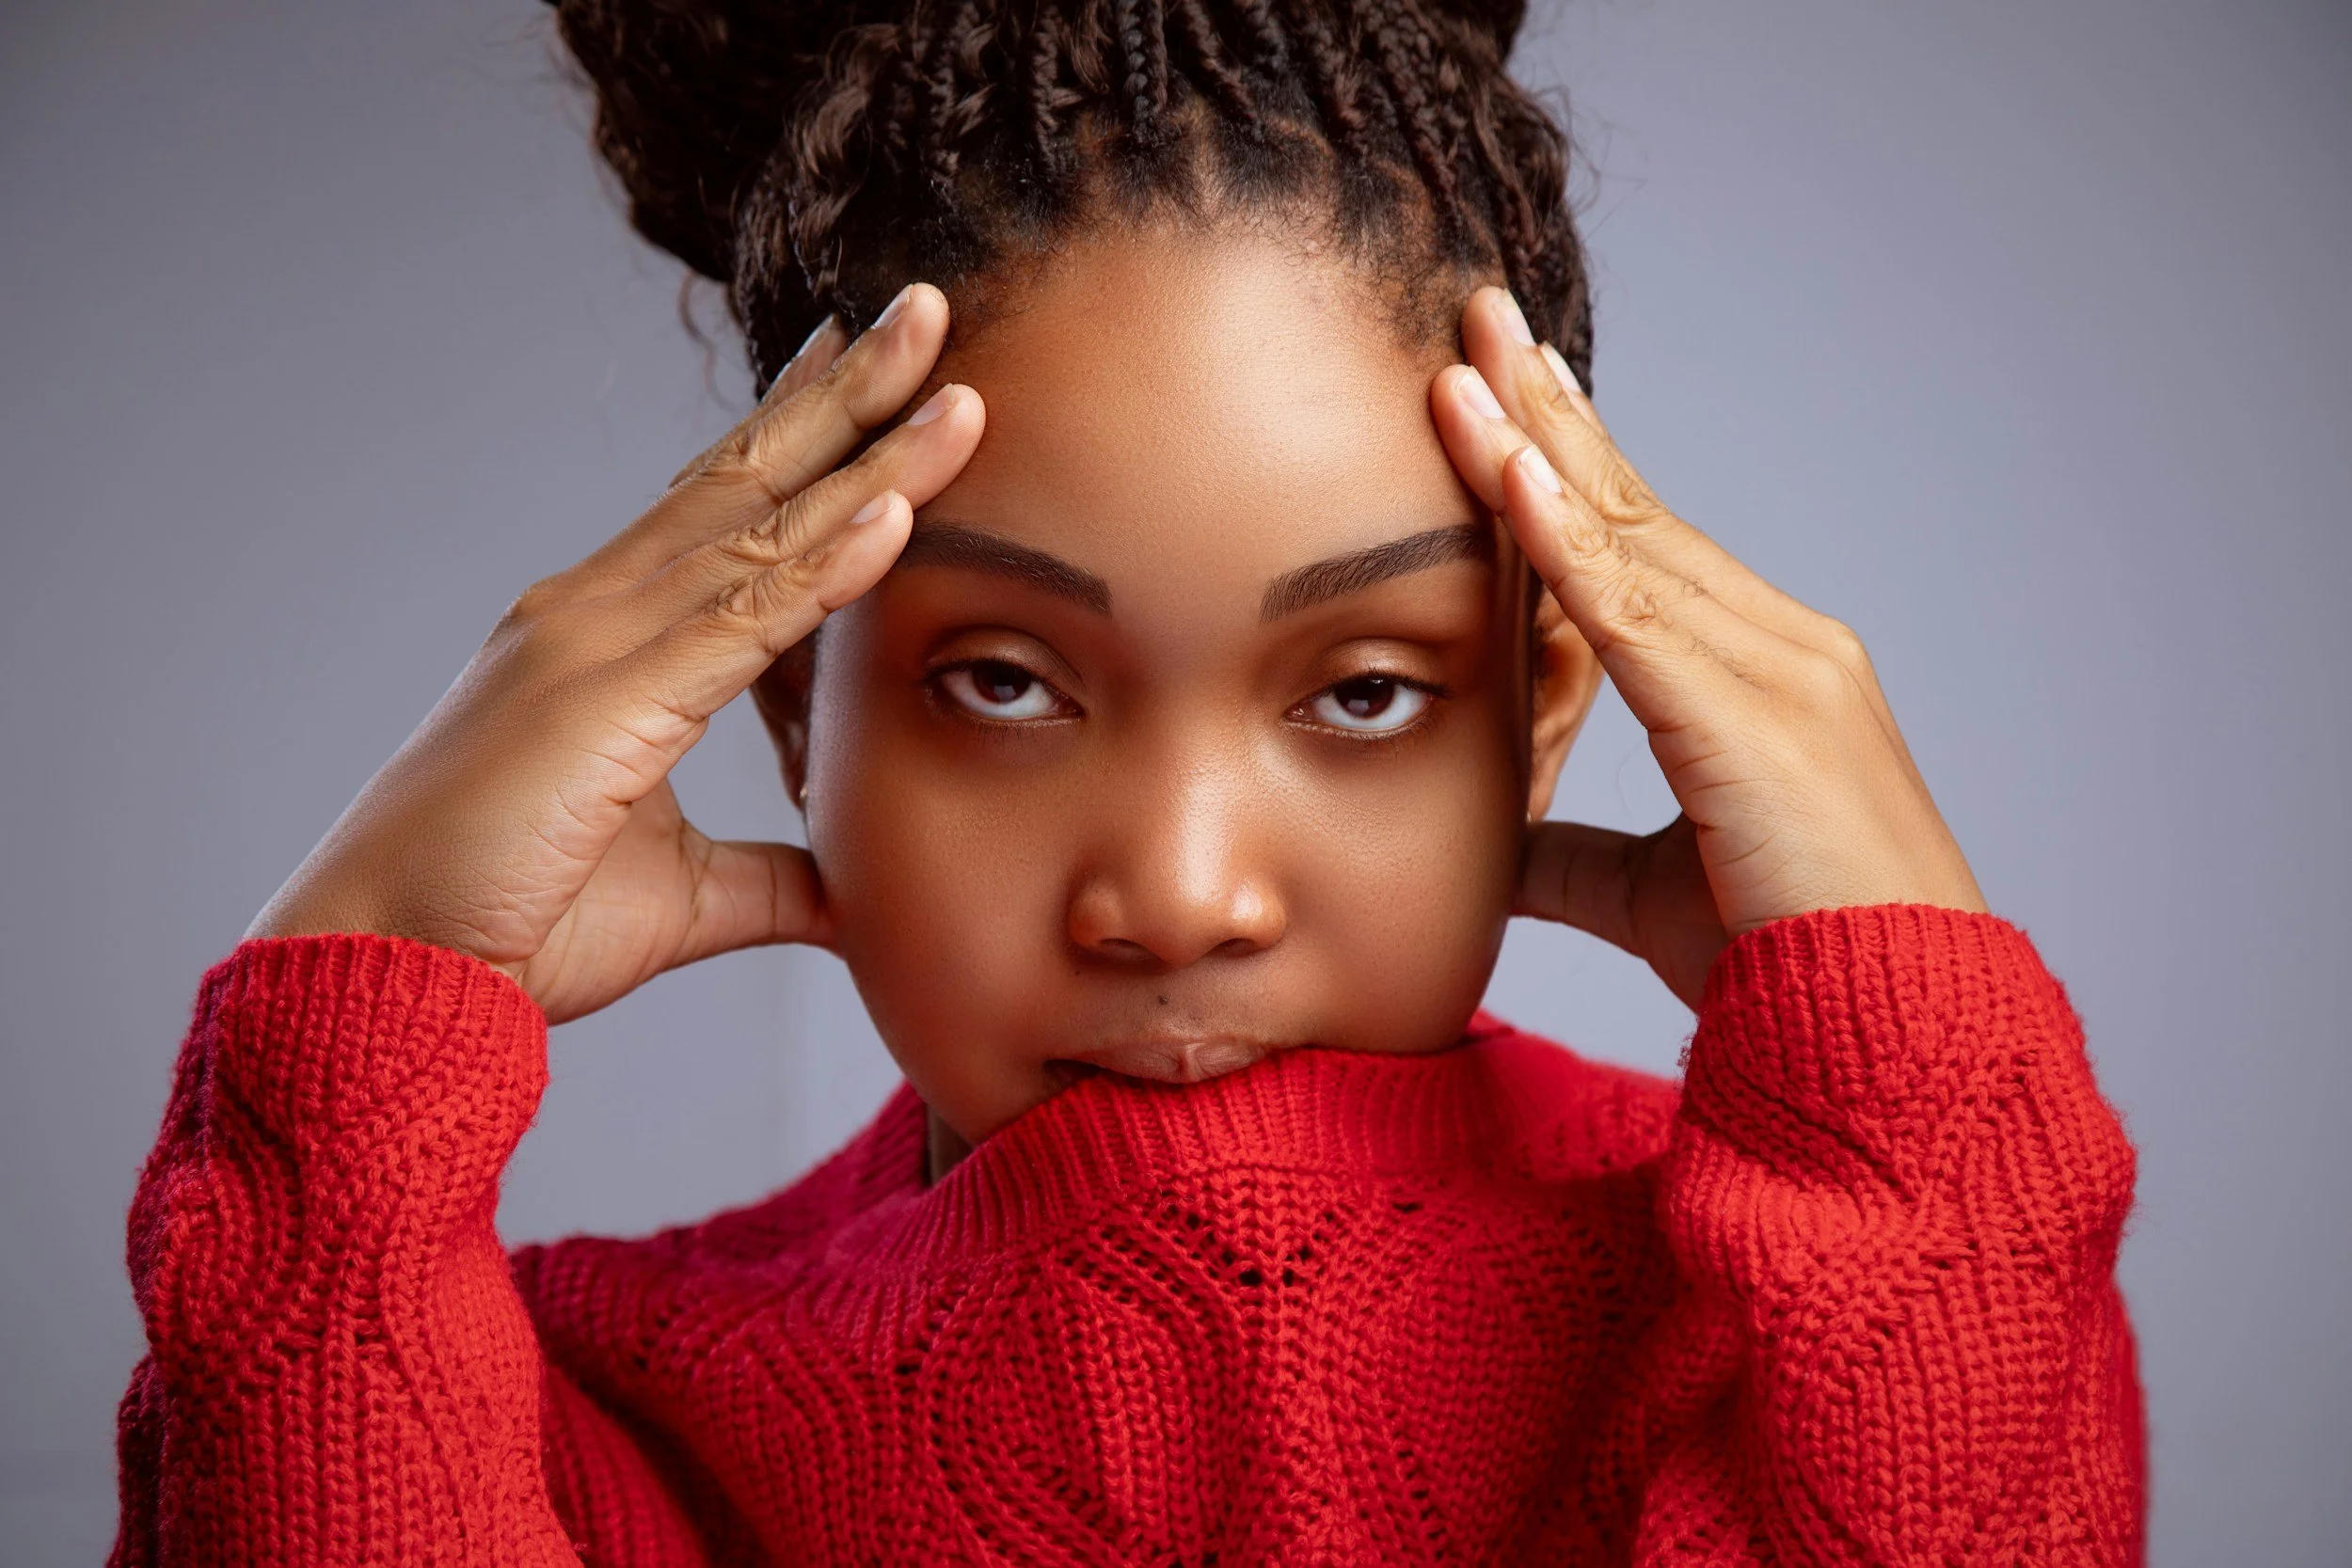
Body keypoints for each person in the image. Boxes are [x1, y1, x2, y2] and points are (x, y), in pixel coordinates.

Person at [107, 0, 2145, 1560]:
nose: (1177, 895)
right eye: (1000, 679)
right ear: (788, 710)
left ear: (1545, 695)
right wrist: (351, 1040)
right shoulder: (534, 1397)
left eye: (1359, 690)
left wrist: (1912, 1086)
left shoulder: (1795, 1318)